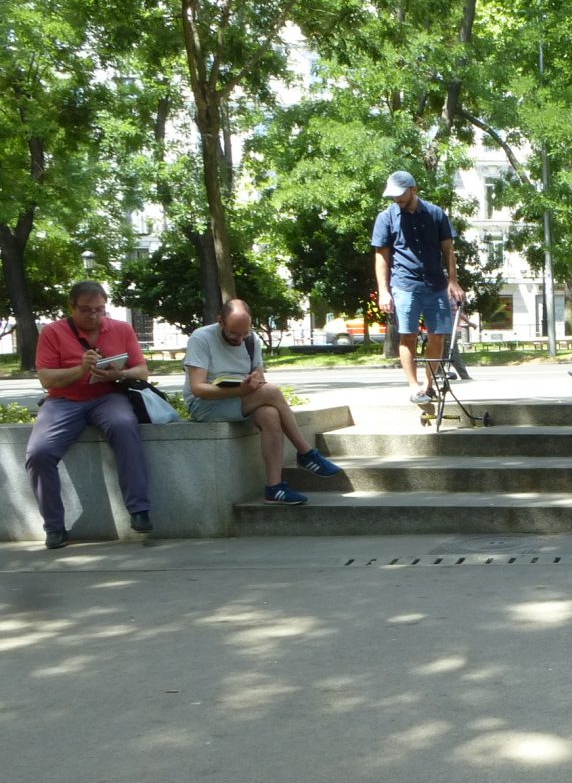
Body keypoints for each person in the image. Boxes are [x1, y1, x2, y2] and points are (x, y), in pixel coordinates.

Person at [25, 282, 154, 548]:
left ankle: (139, 509)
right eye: (86, 310)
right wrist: (81, 370)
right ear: (71, 307)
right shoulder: (53, 332)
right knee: (39, 452)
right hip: (63, 401)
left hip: (107, 397)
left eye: (99, 309)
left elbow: (141, 371)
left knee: (124, 426)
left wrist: (119, 373)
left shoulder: (121, 329)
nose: (94, 315)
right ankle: (54, 526)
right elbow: (46, 378)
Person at [184, 299, 342, 505]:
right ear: (220, 322)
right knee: (272, 391)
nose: (239, 339)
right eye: (233, 334)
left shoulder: (251, 340)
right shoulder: (201, 338)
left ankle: (274, 487)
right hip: (205, 405)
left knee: (270, 414)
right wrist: (241, 390)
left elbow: (259, 377)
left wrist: (253, 381)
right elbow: (197, 388)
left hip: (239, 399)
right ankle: (306, 452)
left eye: (244, 333)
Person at [372, 170, 465, 405]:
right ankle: (414, 387)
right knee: (408, 335)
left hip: (436, 284)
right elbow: (381, 256)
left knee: (438, 336)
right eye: (393, 195)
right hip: (404, 285)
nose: (397, 199)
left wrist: (453, 280)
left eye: (401, 194)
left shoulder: (436, 214)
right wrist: (383, 291)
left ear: (413, 190)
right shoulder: (386, 218)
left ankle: (428, 385)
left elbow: (448, 249)